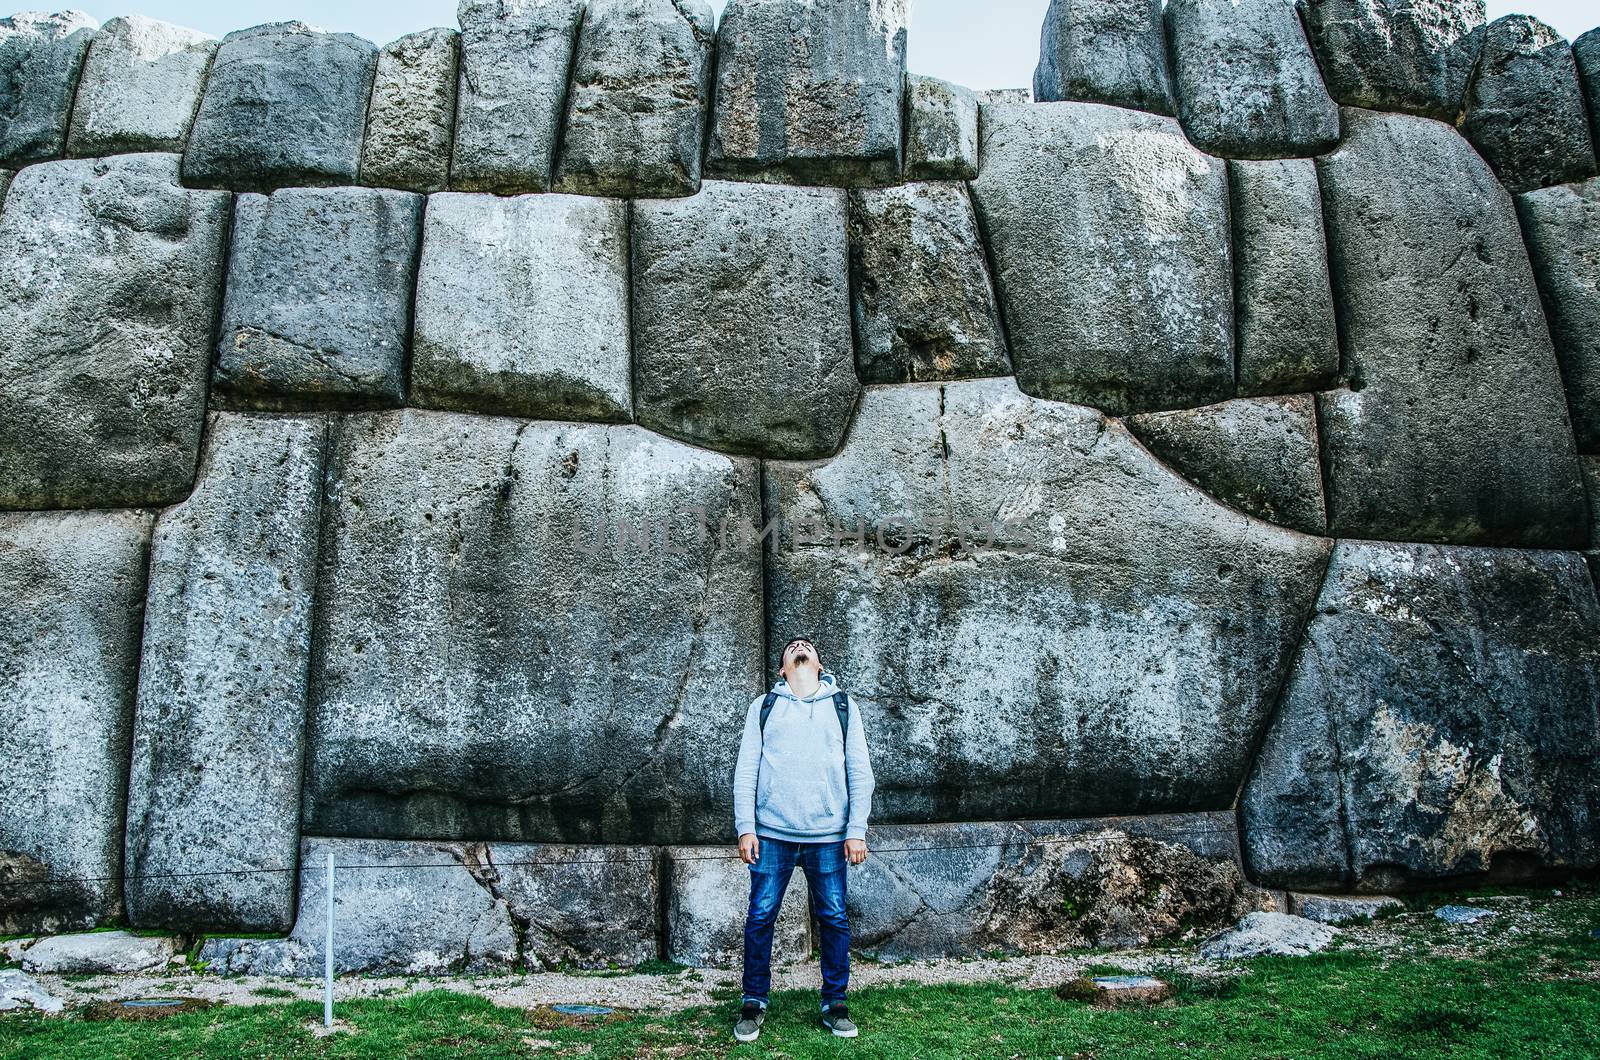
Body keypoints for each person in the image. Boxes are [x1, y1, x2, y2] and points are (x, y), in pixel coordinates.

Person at [731, 636, 874, 1042]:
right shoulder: (764, 707)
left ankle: (835, 1004)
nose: (800, 648)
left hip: (828, 837)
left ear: (818, 662)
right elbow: (746, 771)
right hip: (771, 834)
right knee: (760, 918)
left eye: (806, 645)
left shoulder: (843, 706)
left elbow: (860, 772)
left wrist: (856, 830)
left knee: (833, 918)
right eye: (792, 647)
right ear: (782, 669)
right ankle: (753, 1002)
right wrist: (746, 826)